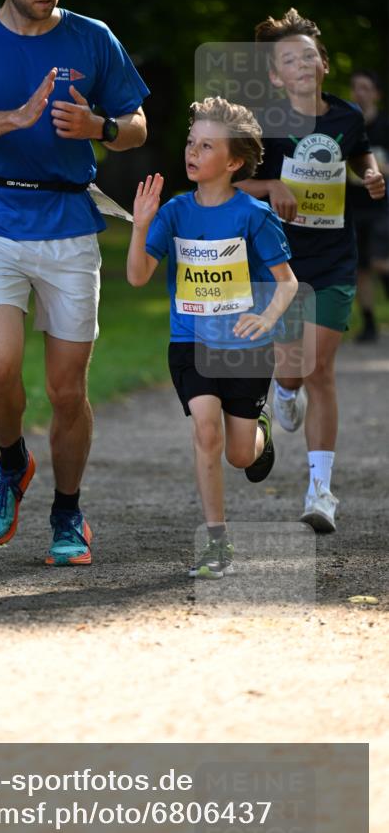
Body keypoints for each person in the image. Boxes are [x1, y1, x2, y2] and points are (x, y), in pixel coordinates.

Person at [0, 0, 148, 565]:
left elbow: (137, 124)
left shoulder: (92, 37)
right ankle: (10, 464)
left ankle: (67, 510)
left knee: (66, 390)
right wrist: (15, 118)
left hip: (69, 226)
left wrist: (101, 126)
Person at [128, 97, 297, 579]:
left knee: (239, 453)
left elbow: (286, 283)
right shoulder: (176, 212)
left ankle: (260, 434)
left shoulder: (253, 215)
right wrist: (141, 227)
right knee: (206, 428)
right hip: (191, 341)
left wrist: (266, 320)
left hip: (245, 349)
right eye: (190, 142)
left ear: (235, 161)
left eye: (207, 145)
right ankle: (217, 542)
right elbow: (139, 276)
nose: (193, 151)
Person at [237, 8, 385, 532]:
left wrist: (370, 176)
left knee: (321, 369)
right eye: (289, 60)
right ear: (276, 75)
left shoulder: (346, 118)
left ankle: (321, 491)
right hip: (280, 263)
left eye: (309, 56)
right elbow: (230, 185)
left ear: (323, 64)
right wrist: (270, 187)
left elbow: (362, 156)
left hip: (333, 260)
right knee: (294, 369)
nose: (302, 65)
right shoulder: (265, 123)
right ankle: (282, 389)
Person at [348, 69, 389, 342]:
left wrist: (380, 168)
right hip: (352, 205)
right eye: (355, 88)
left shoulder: (386, 125)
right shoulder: (348, 126)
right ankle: (370, 324)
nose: (359, 92)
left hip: (383, 205)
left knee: (380, 262)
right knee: (361, 267)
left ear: (375, 93)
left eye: (365, 87)